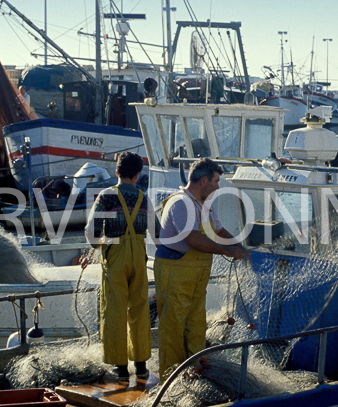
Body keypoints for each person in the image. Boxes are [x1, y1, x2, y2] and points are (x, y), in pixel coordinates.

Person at [154, 157, 249, 379]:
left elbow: (219, 231)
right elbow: (193, 239)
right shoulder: (180, 203)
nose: (218, 187)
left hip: (195, 276)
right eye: (216, 182)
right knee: (173, 325)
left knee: (196, 323)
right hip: (175, 272)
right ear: (204, 180)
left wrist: (240, 247)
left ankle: (195, 369)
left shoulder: (205, 205)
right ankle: (171, 377)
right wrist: (227, 252)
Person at [85, 152, 153, 380]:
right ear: (137, 175)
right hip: (138, 257)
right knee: (139, 309)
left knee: (114, 310)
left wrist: (102, 244)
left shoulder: (105, 196)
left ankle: (121, 368)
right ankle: (141, 364)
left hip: (115, 256)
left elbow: (91, 233)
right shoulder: (144, 197)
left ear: (116, 172)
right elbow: (159, 233)